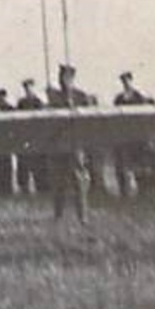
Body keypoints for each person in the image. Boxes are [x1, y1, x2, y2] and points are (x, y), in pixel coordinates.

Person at [47, 64, 92, 223]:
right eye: (61, 78)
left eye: (66, 78)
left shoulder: (81, 96)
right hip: (58, 144)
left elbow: (89, 119)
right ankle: (58, 214)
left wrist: (74, 107)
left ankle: (83, 216)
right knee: (58, 180)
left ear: (72, 78)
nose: (63, 81)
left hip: (75, 142)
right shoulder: (54, 97)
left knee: (79, 181)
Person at [113, 70, 154, 198]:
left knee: (140, 163)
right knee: (123, 163)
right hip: (124, 135)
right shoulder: (119, 98)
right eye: (123, 81)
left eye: (127, 80)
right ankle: (124, 191)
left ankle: (143, 191)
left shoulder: (139, 97)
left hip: (138, 135)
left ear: (131, 81)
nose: (125, 83)